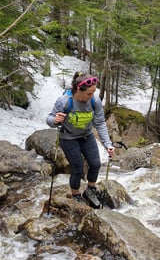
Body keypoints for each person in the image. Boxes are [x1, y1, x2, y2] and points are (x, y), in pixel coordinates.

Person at [46, 72, 115, 207]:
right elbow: (49, 118)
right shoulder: (65, 101)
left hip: (87, 135)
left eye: (93, 93)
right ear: (79, 89)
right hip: (68, 138)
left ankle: (90, 190)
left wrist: (108, 144)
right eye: (89, 93)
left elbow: (100, 123)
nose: (91, 97)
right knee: (77, 167)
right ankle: (76, 195)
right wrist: (55, 120)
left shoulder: (95, 101)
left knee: (95, 164)